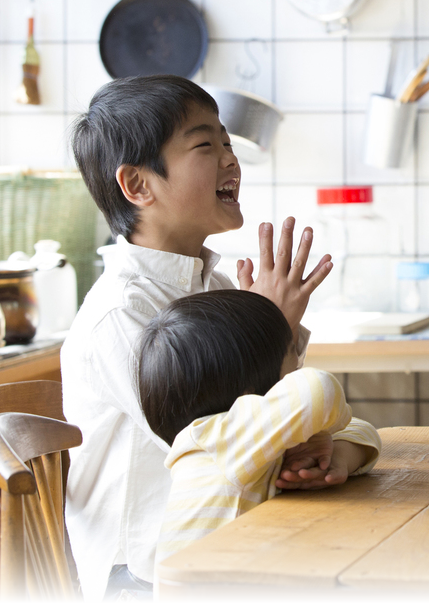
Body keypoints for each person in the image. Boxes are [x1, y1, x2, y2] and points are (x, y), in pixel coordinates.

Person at [64, 76, 337, 603]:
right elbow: (216, 438)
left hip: (220, 548)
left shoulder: (214, 285)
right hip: (142, 580)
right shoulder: (123, 311)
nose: (231, 159)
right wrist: (272, 327)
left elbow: (273, 426)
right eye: (205, 145)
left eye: (228, 142)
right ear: (138, 185)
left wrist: (312, 442)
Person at [136, 289, 380, 565]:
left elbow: (364, 429)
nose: (298, 367)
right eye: (291, 354)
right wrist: (322, 430)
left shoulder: (243, 439)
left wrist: (336, 456)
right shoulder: (217, 439)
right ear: (248, 397)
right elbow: (319, 390)